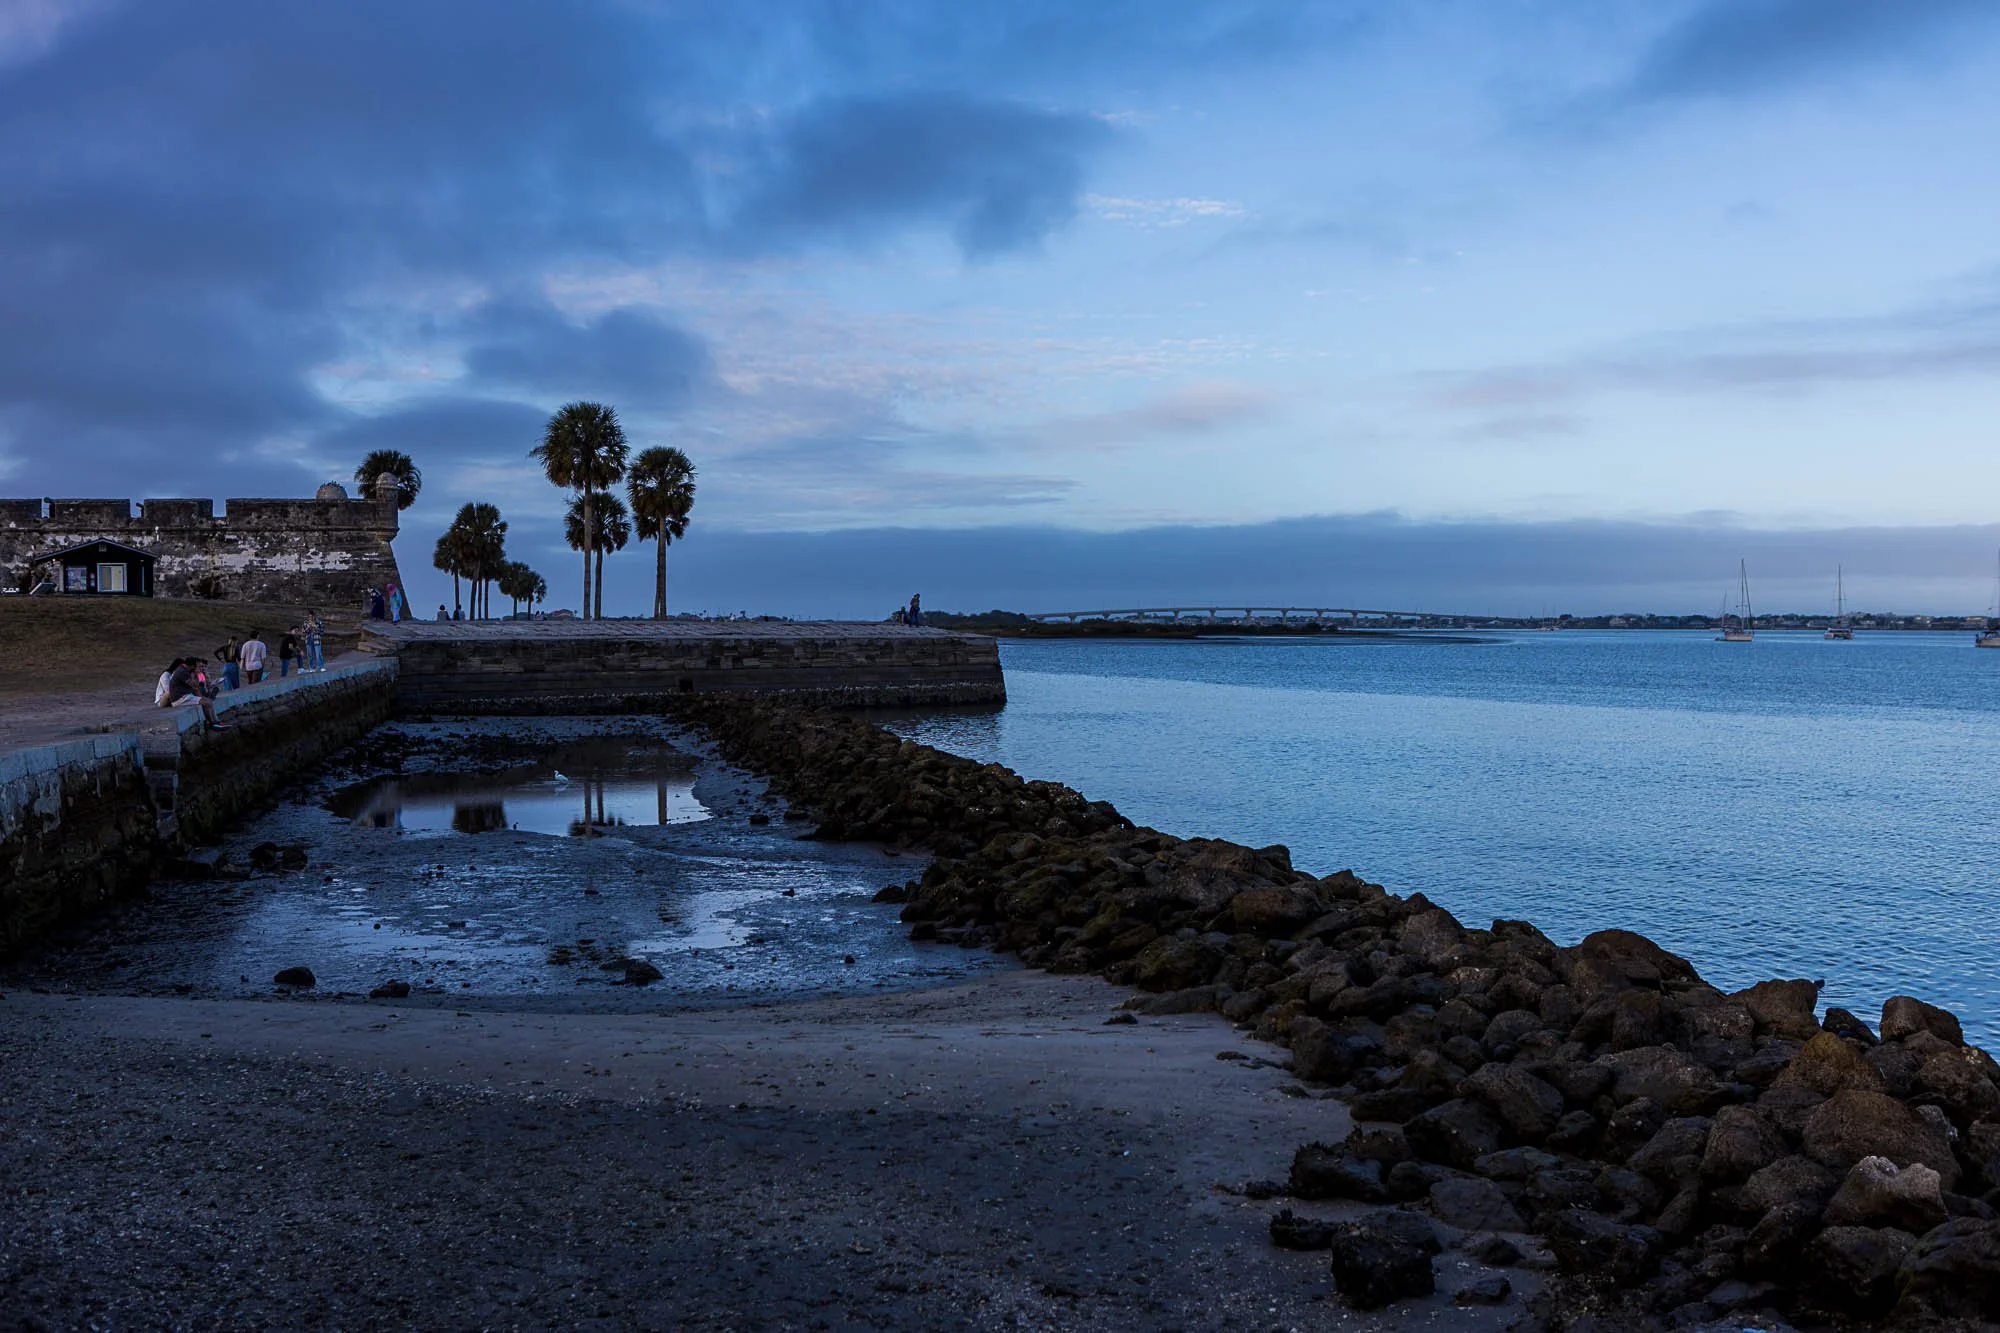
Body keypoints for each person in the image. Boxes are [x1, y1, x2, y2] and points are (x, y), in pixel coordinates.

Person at [159, 658, 227, 729]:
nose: (200, 668)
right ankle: (213, 724)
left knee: (208, 702)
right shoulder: (183, 672)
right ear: (192, 666)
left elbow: (196, 689)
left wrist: (201, 697)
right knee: (208, 702)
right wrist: (197, 674)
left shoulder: (184, 670)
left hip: (185, 696)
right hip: (180, 699)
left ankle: (216, 721)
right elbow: (195, 685)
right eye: (198, 666)